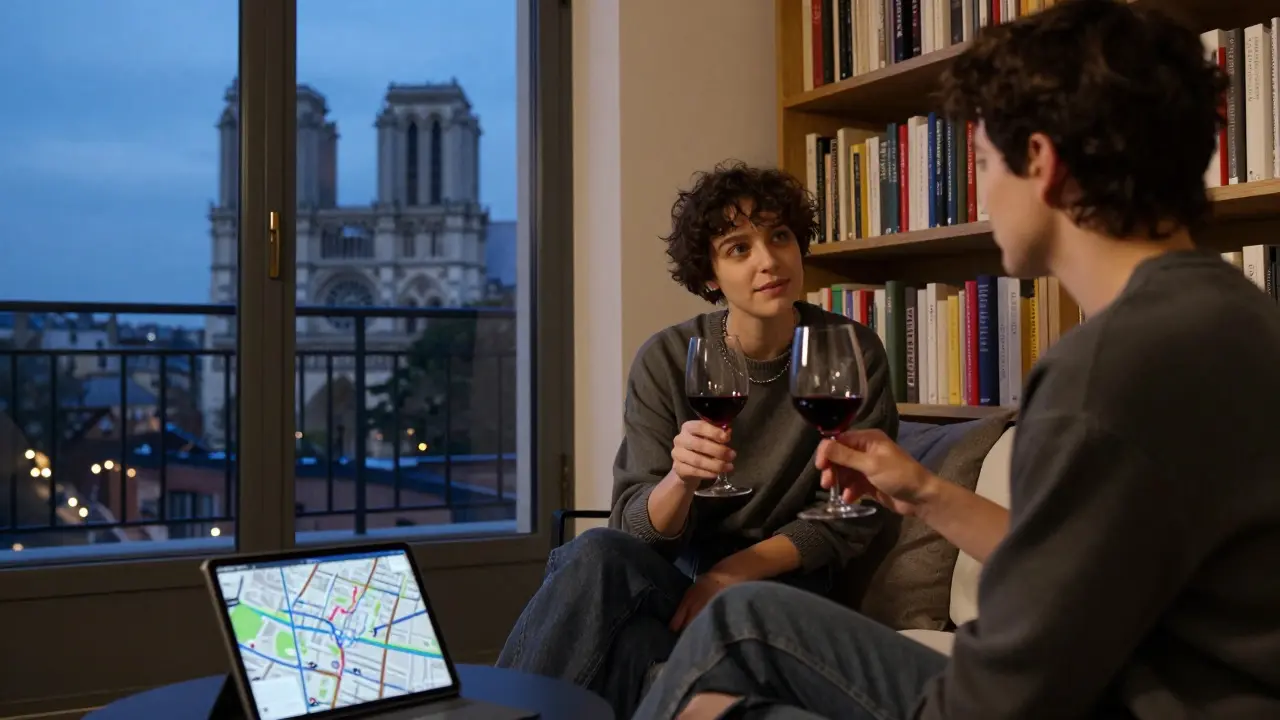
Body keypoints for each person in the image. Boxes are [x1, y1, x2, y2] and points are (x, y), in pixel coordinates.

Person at [634, 1, 1280, 718]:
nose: (980, 189)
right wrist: (925, 493)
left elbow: (1006, 687)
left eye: (980, 161)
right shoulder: (1241, 319)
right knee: (738, 619)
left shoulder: (1105, 372)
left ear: (1041, 162)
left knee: (721, 677)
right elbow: (1075, 568)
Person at [495, 161, 899, 716]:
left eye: (779, 236)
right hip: (676, 581)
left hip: (785, 587)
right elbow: (634, 527)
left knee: (630, 651)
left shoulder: (848, 352)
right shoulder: (667, 358)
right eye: (739, 248)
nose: (768, 260)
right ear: (710, 275)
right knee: (593, 553)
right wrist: (680, 481)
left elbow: (850, 517)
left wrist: (730, 573)